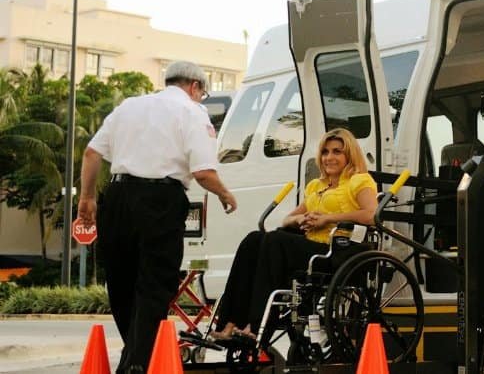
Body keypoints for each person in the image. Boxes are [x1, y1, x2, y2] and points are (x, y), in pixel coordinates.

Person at [77, 61, 238, 374]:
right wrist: (225, 194)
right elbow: (203, 172)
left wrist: (87, 197)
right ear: (195, 86)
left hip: (117, 197)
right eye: (202, 93)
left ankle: (133, 356)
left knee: (121, 282)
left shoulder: (129, 106)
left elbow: (91, 153)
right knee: (154, 284)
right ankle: (139, 362)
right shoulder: (193, 111)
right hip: (160, 200)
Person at [211, 127, 378, 340]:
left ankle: (257, 326)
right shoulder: (316, 186)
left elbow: (371, 215)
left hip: (337, 252)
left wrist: (328, 218)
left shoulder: (359, 180)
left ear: (350, 155)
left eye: (337, 151)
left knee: (276, 241)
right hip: (310, 247)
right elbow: (287, 219)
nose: (329, 157)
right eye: (325, 152)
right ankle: (230, 323)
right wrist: (301, 219)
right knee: (254, 240)